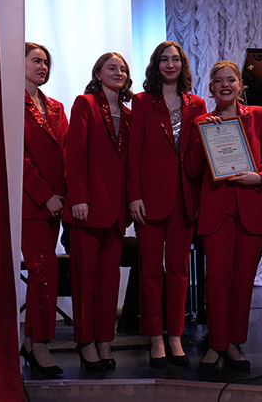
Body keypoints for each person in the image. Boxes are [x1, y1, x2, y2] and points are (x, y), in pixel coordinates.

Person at [186, 60, 262, 374]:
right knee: (216, 279)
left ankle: (233, 342)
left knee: (243, 280)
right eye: (219, 80)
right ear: (211, 88)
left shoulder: (259, 115)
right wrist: (202, 136)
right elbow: (191, 170)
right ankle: (216, 343)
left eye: (231, 80)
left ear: (240, 85)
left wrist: (260, 176)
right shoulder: (202, 122)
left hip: (252, 207)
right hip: (216, 210)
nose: (225, 85)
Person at [127, 41, 206, 367]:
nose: (170, 64)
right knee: (149, 272)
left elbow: (201, 152)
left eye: (175, 59)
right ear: (156, 65)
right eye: (164, 59)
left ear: (182, 65)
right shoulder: (142, 101)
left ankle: (175, 335)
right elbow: (134, 152)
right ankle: (155, 337)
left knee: (178, 272)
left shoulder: (197, 104)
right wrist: (134, 195)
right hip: (149, 199)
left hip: (185, 198)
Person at [64, 52, 133, 371]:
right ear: (98, 73)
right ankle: (85, 341)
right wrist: (78, 197)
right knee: (85, 279)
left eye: (123, 69)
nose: (118, 72)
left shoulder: (130, 114)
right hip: (87, 208)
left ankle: (105, 339)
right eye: (112, 68)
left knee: (109, 280)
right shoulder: (85, 104)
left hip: (116, 211)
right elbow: (75, 153)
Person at [21, 42, 68, 376]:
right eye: (36, 60)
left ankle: (30, 341)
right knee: (44, 270)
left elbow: (67, 153)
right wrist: (44, 195)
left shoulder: (55, 106)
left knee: (44, 272)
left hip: (57, 204)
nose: (42, 67)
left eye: (46, 62)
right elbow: (19, 157)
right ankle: (39, 345)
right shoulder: (12, 103)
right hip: (31, 203)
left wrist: (64, 195)